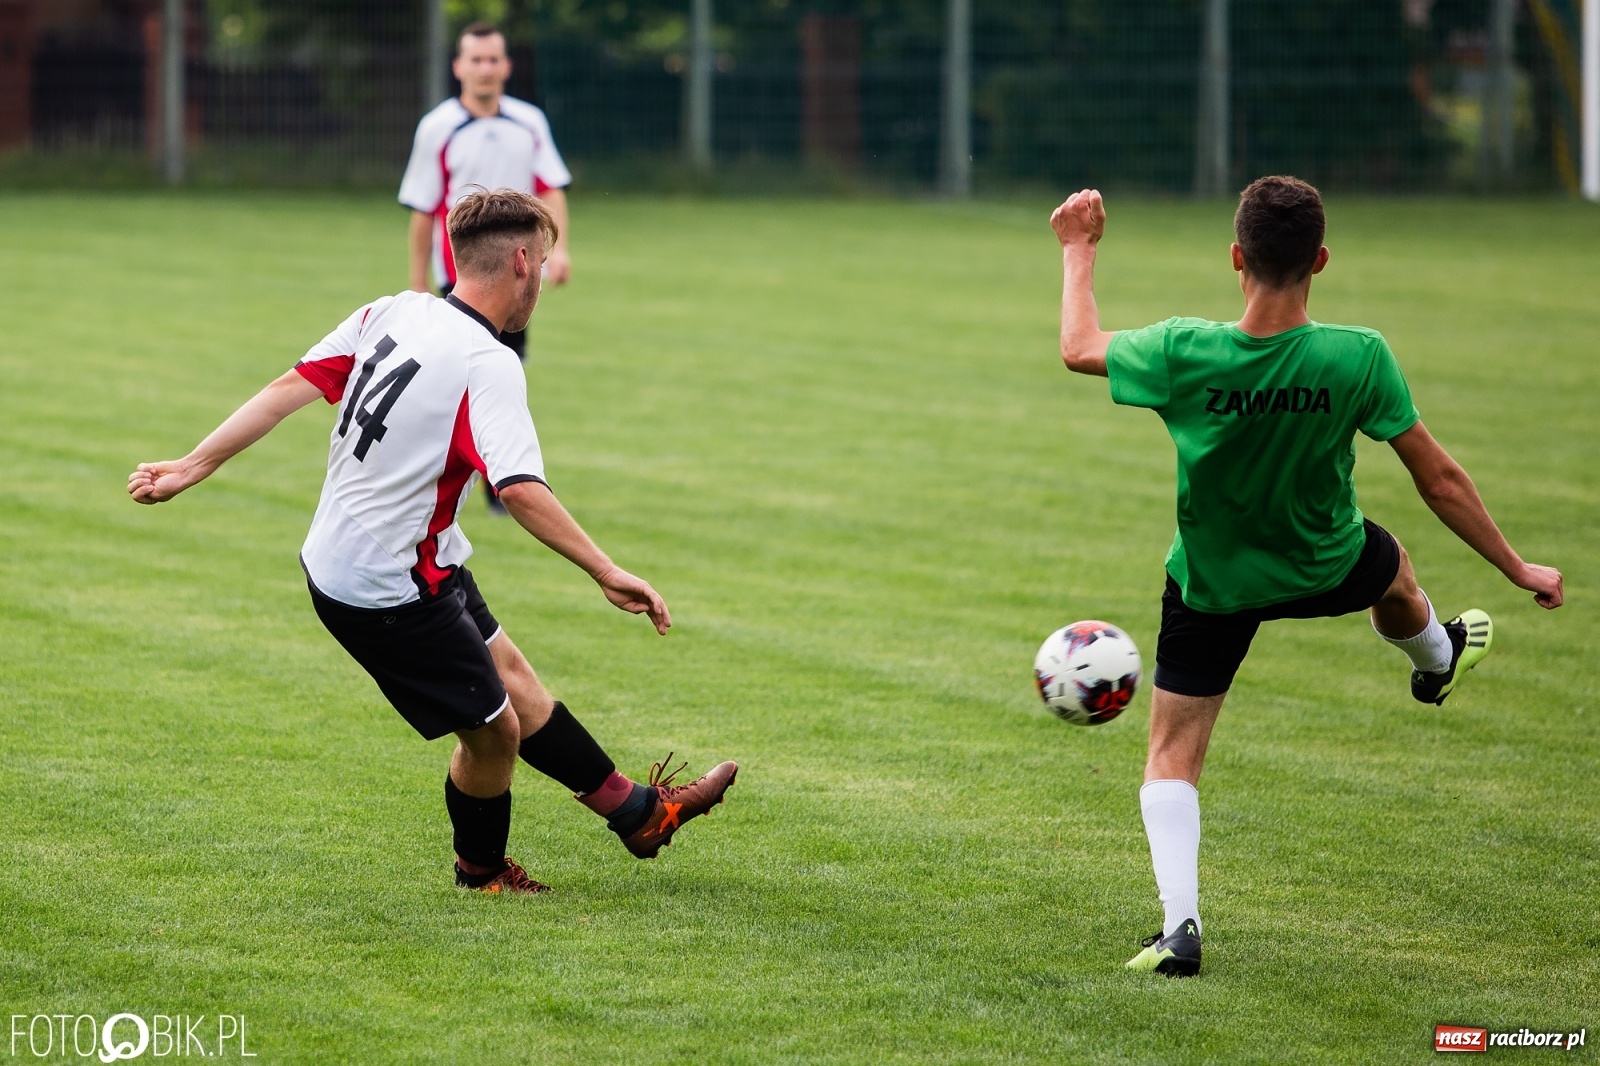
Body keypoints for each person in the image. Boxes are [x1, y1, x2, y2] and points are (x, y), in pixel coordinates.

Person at [129, 188, 736, 894]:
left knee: (515, 682)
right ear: (520, 261)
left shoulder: (392, 310)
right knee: (494, 733)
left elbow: (285, 387)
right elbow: (518, 489)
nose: (541, 277)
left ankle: (640, 816)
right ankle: (480, 874)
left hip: (398, 554)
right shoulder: (489, 362)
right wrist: (605, 569)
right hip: (385, 585)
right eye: (539, 261)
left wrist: (191, 465)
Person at [1049, 176, 1563, 976]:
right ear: (1319, 259)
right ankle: (1438, 658)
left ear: (1235, 258)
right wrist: (1516, 565)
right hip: (1328, 563)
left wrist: (1079, 249)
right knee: (1392, 577)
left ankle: (1179, 932)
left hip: (1215, 583)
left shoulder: (1186, 352)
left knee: (1172, 753)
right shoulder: (1357, 357)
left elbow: (1079, 347)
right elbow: (1442, 481)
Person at [401, 22, 572, 512]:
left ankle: (503, 477)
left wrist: (558, 250)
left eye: (493, 59)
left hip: (519, 273)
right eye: (475, 60)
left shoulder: (529, 122)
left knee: (507, 368)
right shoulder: (438, 127)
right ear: (458, 67)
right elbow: (421, 208)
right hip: (460, 273)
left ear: (506, 67)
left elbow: (552, 186)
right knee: (459, 373)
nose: (484, 69)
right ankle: (457, 471)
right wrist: (417, 283)